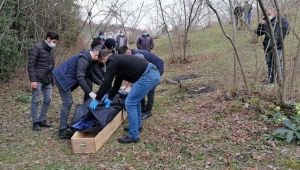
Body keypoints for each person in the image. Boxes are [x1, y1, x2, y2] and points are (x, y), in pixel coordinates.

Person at [89, 49, 161, 143]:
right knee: (135, 101)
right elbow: (117, 83)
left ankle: (133, 135)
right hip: (152, 74)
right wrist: (110, 97)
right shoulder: (118, 60)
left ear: (105, 58)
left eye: (102, 61)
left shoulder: (112, 60)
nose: (104, 64)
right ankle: (137, 126)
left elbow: (106, 81)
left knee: (130, 103)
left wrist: (97, 99)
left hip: (148, 76)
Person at [52, 48, 102, 139]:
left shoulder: (88, 59)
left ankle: (64, 126)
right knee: (67, 102)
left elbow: (89, 74)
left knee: (68, 102)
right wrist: (89, 92)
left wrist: (100, 83)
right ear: (96, 55)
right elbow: (80, 77)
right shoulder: (84, 59)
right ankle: (62, 131)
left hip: (66, 78)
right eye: (99, 59)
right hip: (62, 78)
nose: (99, 62)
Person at [117, 46, 164, 120]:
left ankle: (148, 111)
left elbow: (141, 72)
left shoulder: (138, 56)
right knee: (140, 87)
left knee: (149, 89)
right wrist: (125, 86)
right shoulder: (131, 55)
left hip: (156, 69)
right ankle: (142, 107)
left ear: (128, 52)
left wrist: (130, 87)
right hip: (147, 70)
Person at [28, 31, 59, 131]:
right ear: (48, 39)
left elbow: (52, 67)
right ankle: (35, 122)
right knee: (36, 100)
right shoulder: (37, 48)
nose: (55, 44)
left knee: (48, 99)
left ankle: (42, 120)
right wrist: (33, 80)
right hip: (38, 79)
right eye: (54, 41)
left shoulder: (51, 50)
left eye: (56, 42)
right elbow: (31, 65)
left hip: (48, 80)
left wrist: (53, 80)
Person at [255, 8, 289, 84]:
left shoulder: (281, 20)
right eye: (266, 14)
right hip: (267, 47)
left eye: (269, 14)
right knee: (269, 63)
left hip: (278, 46)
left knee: (277, 63)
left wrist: (277, 41)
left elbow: (286, 30)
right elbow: (259, 33)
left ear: (274, 13)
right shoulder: (266, 22)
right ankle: (271, 79)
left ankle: (280, 80)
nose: (267, 16)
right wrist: (261, 23)